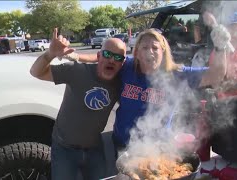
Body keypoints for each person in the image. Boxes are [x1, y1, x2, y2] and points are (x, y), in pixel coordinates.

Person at [64, 29, 208, 157]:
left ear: (163, 52)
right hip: (122, 145)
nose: (149, 52)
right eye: (144, 47)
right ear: (137, 53)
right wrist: (77, 57)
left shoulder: (177, 74)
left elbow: (216, 74)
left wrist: (222, 46)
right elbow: (104, 56)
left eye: (155, 48)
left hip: (158, 149)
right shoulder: (127, 67)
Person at [29, 28, 126, 180]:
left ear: (122, 63)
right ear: (99, 56)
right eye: (107, 54)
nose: (112, 60)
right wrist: (50, 54)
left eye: (117, 57)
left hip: (95, 148)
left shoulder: (121, 81)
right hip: (64, 148)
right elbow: (36, 72)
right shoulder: (78, 71)